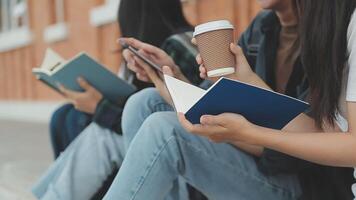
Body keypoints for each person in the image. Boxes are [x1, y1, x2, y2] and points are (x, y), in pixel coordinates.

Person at [102, 0, 355, 199]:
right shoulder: (261, 29)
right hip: (257, 155)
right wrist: (169, 75)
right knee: (144, 102)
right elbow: (207, 108)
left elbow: (305, 148)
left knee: (164, 131)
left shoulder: (331, 33)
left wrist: (244, 132)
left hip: (301, 181)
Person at [32, 0, 204, 199]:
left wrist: (99, 107)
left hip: (180, 150)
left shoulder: (180, 46)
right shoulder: (141, 55)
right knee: (64, 115)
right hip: (153, 135)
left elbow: (154, 118)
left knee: (99, 133)